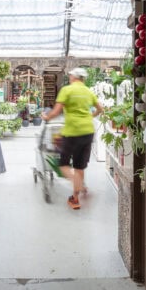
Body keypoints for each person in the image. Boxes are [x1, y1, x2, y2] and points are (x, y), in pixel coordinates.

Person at [42, 67, 103, 210]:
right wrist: (90, 117)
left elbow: (56, 111)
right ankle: (75, 199)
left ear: (74, 77)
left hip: (72, 132)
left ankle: (79, 186)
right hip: (88, 131)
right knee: (79, 166)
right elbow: (100, 109)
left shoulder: (67, 90)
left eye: (70, 76)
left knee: (63, 164)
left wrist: (46, 116)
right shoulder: (88, 91)